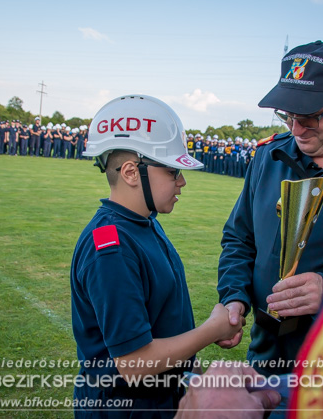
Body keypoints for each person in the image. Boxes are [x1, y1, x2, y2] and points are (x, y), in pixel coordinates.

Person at [71, 94, 243, 418]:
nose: (182, 182)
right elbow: (134, 364)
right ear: (131, 173)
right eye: (172, 170)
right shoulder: (111, 248)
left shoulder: (143, 221)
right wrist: (211, 330)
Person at [217, 41, 323, 376]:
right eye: (287, 115)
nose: (296, 129)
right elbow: (239, 237)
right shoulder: (268, 157)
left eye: (309, 116)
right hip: (266, 352)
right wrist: (234, 295)